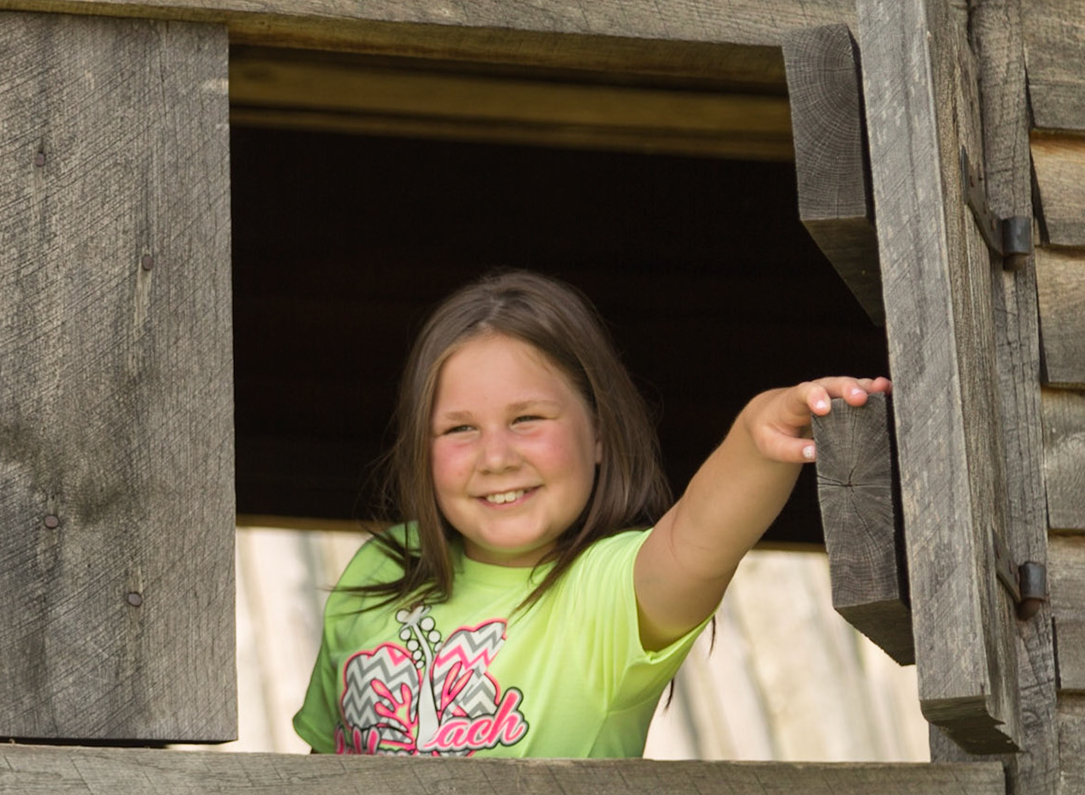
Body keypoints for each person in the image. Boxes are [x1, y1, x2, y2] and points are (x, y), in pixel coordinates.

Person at [292, 268, 889, 758]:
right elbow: (320, 780)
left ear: (599, 432)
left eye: (527, 420)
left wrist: (756, 438)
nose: (495, 457)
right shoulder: (383, 568)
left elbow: (694, 541)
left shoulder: (603, 593)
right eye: (458, 429)